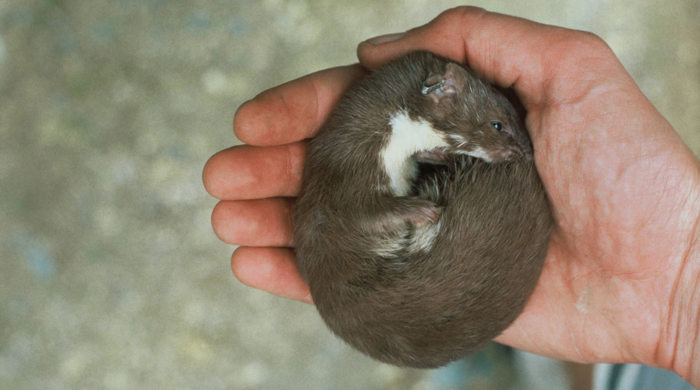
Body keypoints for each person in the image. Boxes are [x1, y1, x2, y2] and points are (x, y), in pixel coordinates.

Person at [202, 7, 700, 387]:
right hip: (414, 292)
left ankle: (546, 367)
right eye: (499, 128)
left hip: (440, 292)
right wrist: (679, 290)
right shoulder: (363, 153)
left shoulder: (378, 147)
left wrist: (683, 293)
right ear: (441, 90)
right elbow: (344, 219)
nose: (513, 145)